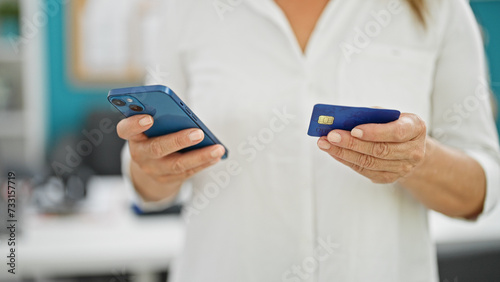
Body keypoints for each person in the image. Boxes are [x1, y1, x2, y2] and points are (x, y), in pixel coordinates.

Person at [117, 0, 500, 281]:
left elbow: (480, 190)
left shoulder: (440, 8)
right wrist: (151, 167)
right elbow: (151, 185)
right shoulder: (186, 9)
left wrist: (418, 159)